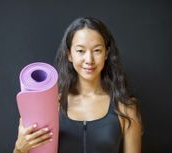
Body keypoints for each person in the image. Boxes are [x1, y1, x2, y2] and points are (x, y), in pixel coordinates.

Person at [13, 17, 142, 153]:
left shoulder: (126, 108)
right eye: (80, 51)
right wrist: (19, 149)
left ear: (106, 53)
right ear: (69, 54)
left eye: (97, 50)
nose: (89, 60)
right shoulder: (51, 105)